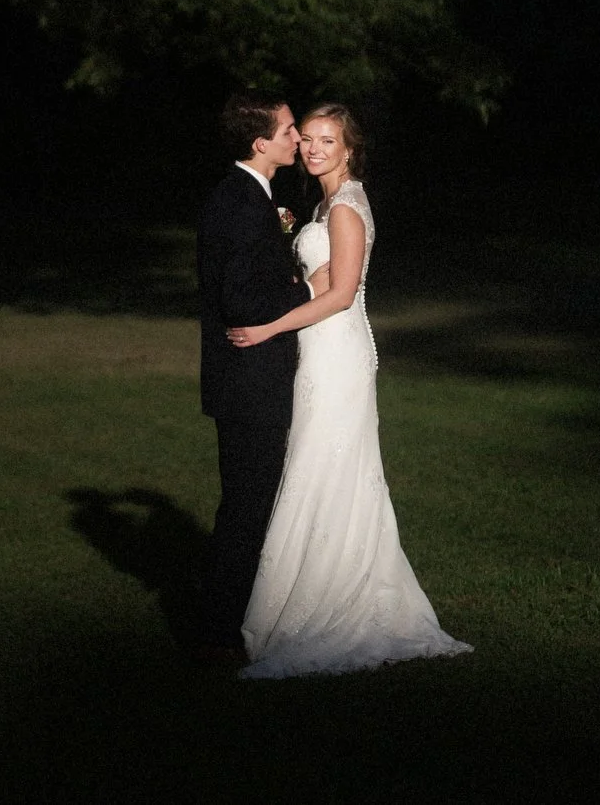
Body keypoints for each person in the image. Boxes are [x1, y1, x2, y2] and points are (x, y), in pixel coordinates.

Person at [227, 102, 471, 679]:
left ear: (349, 149)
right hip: (319, 351)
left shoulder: (345, 208)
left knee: (326, 467)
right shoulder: (327, 204)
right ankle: (305, 597)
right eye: (306, 138)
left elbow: (341, 295)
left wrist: (267, 327)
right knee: (314, 466)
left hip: (337, 355)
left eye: (326, 140)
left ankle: (336, 605)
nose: (312, 148)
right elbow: (320, 280)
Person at [194, 90, 314, 663]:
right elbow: (240, 297)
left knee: (249, 505)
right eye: (289, 130)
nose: (298, 138)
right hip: (249, 382)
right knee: (246, 509)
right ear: (260, 142)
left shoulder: (252, 196)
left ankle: (232, 622)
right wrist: (299, 290)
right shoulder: (241, 203)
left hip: (248, 381)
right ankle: (222, 635)